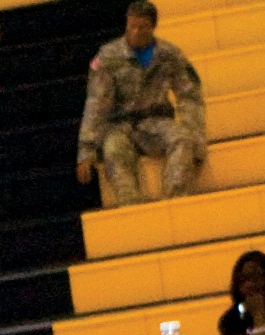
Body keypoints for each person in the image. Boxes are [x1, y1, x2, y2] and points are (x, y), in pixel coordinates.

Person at [75, 0, 205, 207]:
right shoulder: (109, 57)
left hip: (155, 121)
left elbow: (190, 96)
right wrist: (86, 150)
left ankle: (175, 201)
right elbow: (96, 103)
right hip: (119, 126)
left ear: (152, 27)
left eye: (141, 27)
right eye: (131, 26)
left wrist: (196, 137)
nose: (135, 32)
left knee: (182, 139)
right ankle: (131, 207)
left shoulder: (169, 55)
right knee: (113, 151)